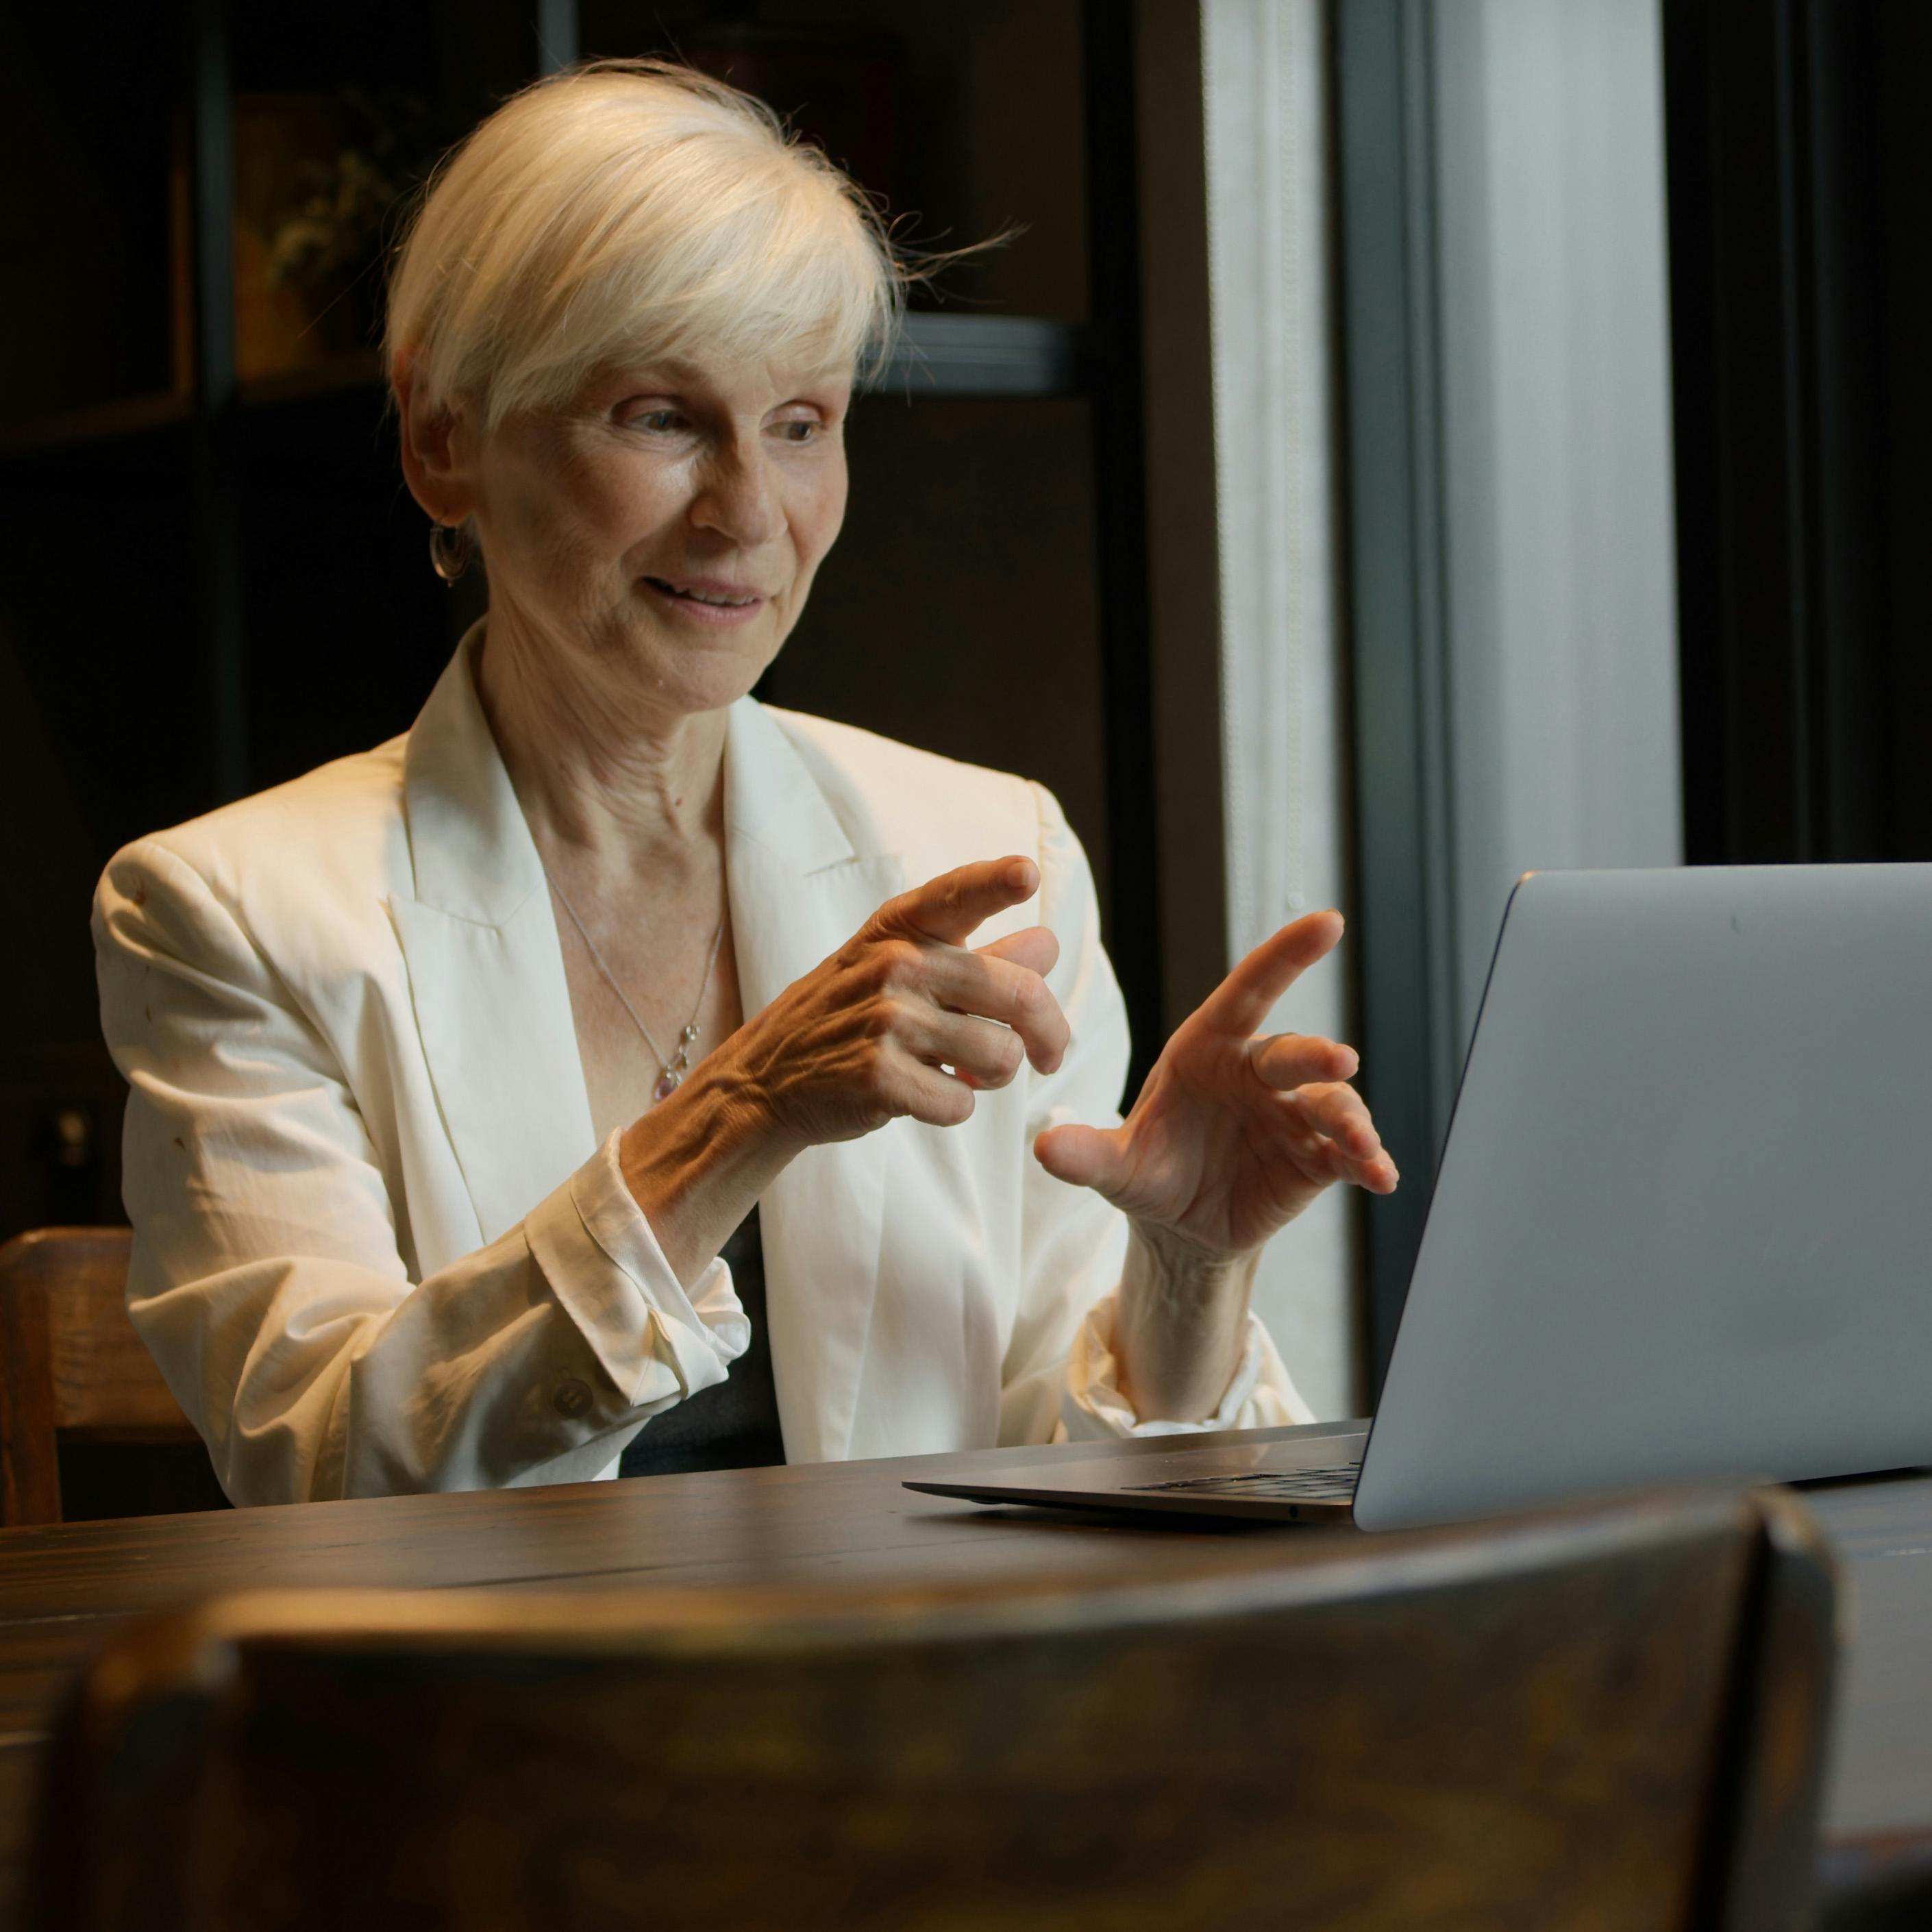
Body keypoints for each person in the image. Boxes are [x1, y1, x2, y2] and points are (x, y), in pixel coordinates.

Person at [91, 60, 1397, 1507]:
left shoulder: (987, 847)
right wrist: (742, 1113)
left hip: (921, 1712)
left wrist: (1189, 1265)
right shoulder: (229, 911)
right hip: (489, 1725)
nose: (748, 517)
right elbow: (328, 1466)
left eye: (801, 423)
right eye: (659, 416)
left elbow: (1080, 1495)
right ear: (442, 438)